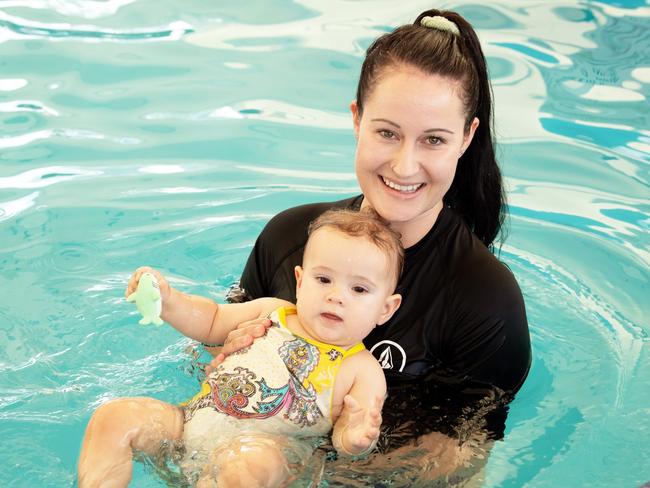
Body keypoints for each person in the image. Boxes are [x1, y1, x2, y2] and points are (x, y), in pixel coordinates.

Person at [210, 8, 532, 480]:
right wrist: (226, 349)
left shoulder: (485, 300)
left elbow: (460, 452)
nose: (405, 166)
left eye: (434, 140)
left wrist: (314, 475)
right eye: (387, 132)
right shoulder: (287, 239)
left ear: (467, 138)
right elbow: (210, 354)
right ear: (356, 118)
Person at [77, 208, 404, 488]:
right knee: (114, 416)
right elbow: (211, 320)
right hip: (187, 426)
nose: (337, 296)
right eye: (323, 280)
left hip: (270, 453)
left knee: (245, 462)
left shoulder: (363, 369)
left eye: (359, 289)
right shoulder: (271, 311)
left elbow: (345, 441)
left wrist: (358, 436)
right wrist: (168, 300)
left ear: (385, 309)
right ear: (301, 281)